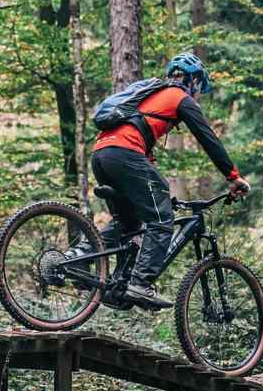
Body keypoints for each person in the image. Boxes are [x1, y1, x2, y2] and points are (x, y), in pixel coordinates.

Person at [91, 53, 250, 309]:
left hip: (101, 153)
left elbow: (142, 151)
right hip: (124, 152)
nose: (197, 94)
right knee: (161, 219)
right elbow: (209, 139)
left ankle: (81, 258)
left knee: (129, 222)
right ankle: (140, 284)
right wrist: (234, 177)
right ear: (194, 81)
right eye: (199, 88)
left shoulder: (152, 97)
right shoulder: (179, 98)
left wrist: (157, 191)